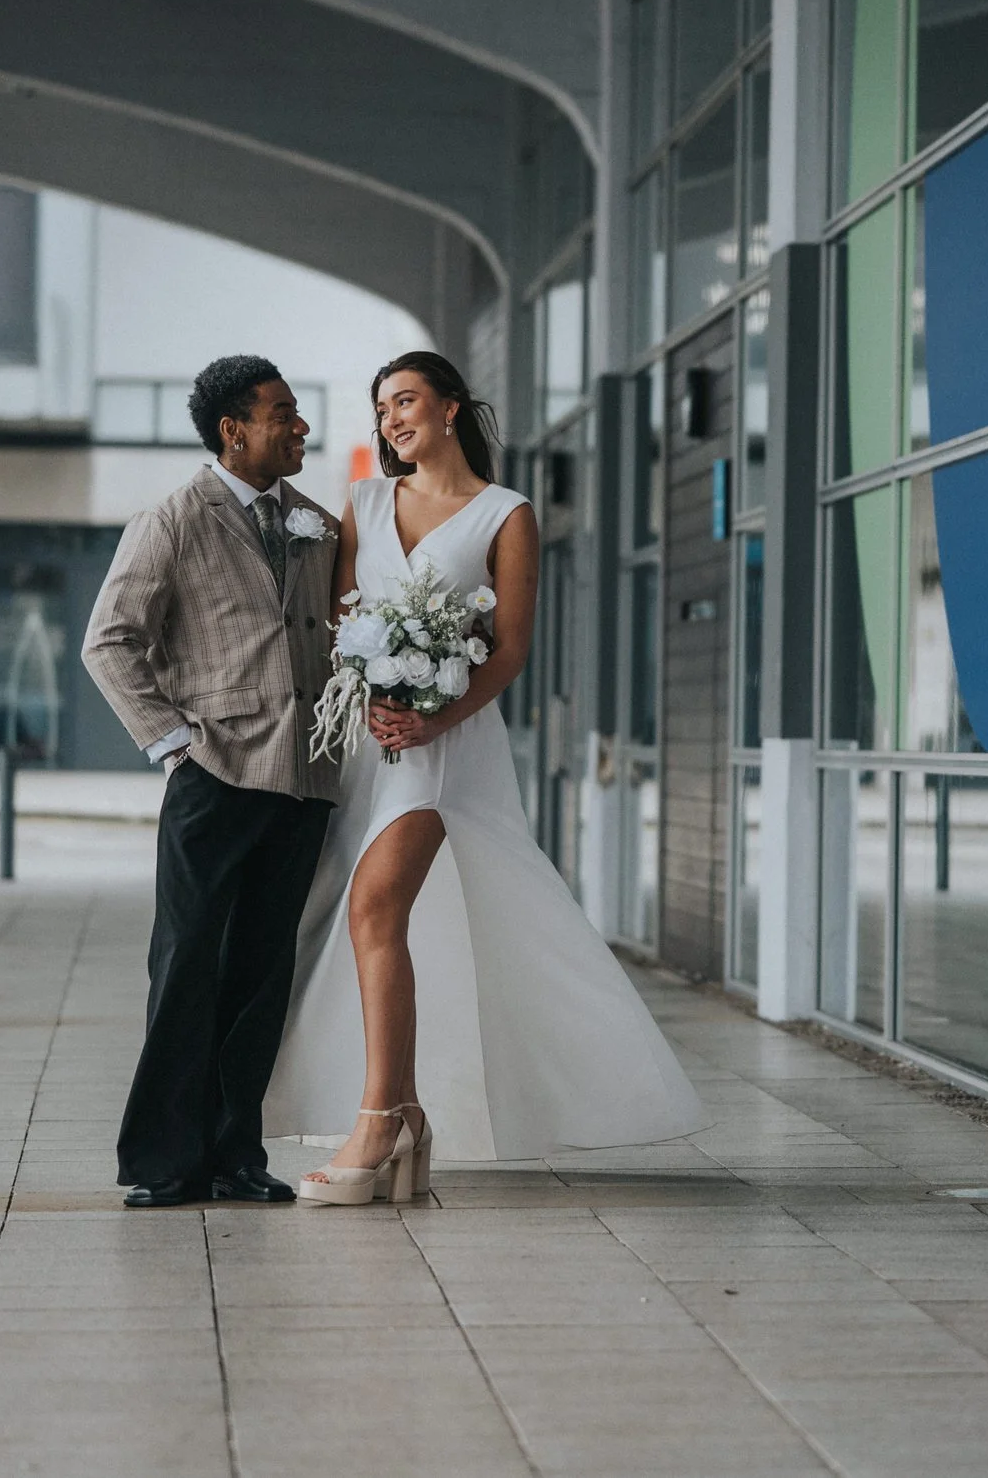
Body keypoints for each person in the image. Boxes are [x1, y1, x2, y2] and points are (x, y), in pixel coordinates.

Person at [264, 351, 704, 1202]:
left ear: (452, 407)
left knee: (374, 903)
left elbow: (508, 653)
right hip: (370, 746)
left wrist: (433, 714)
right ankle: (414, 1117)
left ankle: (378, 1123)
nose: (392, 419)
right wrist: (372, 696)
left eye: (406, 400)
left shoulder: (507, 514)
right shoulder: (364, 503)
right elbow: (342, 624)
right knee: (363, 915)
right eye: (382, 406)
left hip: (449, 749)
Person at [82, 355, 343, 1208]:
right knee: (187, 965)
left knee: (262, 972)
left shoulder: (317, 523)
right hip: (215, 774)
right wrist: (171, 743)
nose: (300, 426)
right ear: (234, 430)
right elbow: (110, 639)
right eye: (283, 413)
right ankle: (163, 1161)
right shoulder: (175, 518)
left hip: (303, 780)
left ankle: (237, 1153)